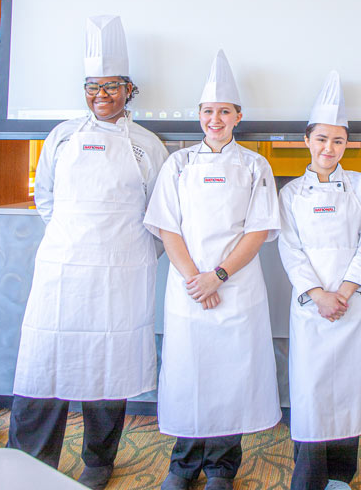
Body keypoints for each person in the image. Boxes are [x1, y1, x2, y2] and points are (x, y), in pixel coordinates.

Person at [8, 15, 168, 490]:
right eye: (92, 86)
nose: (101, 94)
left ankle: (99, 460)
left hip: (122, 271)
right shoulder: (61, 136)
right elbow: (46, 198)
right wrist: (71, 238)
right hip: (62, 268)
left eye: (112, 86)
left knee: (108, 364)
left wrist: (135, 253)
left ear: (129, 90)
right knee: (43, 361)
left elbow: (160, 213)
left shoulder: (147, 146)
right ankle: (30, 460)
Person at [145, 50, 281, 490]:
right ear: (199, 116)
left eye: (224, 111)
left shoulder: (255, 165)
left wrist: (217, 276)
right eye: (208, 111)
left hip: (235, 288)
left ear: (238, 116)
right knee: (187, 372)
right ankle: (183, 465)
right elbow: (169, 228)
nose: (215, 119)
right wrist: (195, 280)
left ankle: (222, 467)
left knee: (230, 374)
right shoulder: (178, 164)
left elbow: (257, 231)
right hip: (188, 288)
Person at [278, 72, 361, 490]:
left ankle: (342, 476)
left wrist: (343, 291)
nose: (329, 148)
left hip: (354, 303)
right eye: (322, 139)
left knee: (349, 390)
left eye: (338, 141)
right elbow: (290, 249)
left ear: (347, 145)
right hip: (312, 307)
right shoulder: (290, 194)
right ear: (307, 140)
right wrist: (318, 294)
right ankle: (307, 479)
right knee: (313, 393)